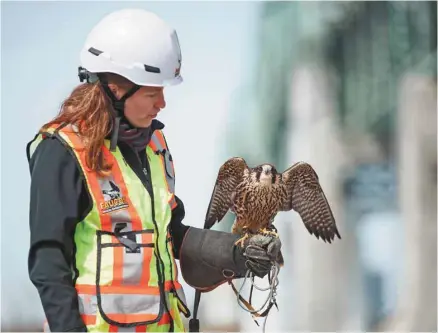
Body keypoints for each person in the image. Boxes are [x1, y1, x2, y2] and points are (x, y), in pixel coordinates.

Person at [26, 8, 281, 333]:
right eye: (152, 92)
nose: (162, 102)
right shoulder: (62, 151)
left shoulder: (154, 145)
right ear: (115, 88)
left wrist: (235, 253)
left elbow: (169, 234)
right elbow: (49, 263)